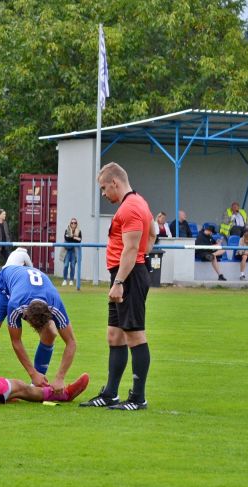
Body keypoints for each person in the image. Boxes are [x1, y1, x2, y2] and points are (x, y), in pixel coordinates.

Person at [80, 162, 154, 411]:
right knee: (114, 335)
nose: (103, 194)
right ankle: (111, 393)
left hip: (129, 277)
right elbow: (152, 231)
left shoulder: (131, 207)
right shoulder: (138, 203)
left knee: (134, 334)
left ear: (115, 182)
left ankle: (137, 398)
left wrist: (120, 282)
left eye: (103, 188)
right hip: (123, 275)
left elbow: (132, 249)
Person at [0, 265, 78, 390]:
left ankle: (36, 384)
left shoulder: (55, 305)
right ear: (25, 314)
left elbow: (71, 342)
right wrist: (32, 372)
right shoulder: (16, 305)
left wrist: (60, 377)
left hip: (26, 287)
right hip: (3, 286)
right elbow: (16, 341)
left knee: (50, 333)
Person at [62, 217, 81, 286]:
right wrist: (74, 237)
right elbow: (66, 238)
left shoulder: (79, 231)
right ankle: (64, 279)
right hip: (67, 251)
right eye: (72, 223)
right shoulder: (67, 230)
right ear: (70, 224)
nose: (73, 224)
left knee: (73, 266)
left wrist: (72, 237)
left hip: (74, 251)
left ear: (76, 224)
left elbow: (79, 240)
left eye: (75, 223)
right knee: (66, 265)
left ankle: (71, 280)